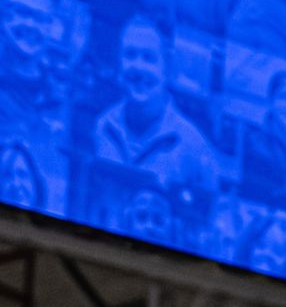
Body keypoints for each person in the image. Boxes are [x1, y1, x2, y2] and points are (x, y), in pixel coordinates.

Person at [91, 16, 220, 194]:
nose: (138, 67)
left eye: (149, 58)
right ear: (118, 62)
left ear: (167, 67)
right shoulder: (103, 127)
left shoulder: (194, 148)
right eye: (130, 55)